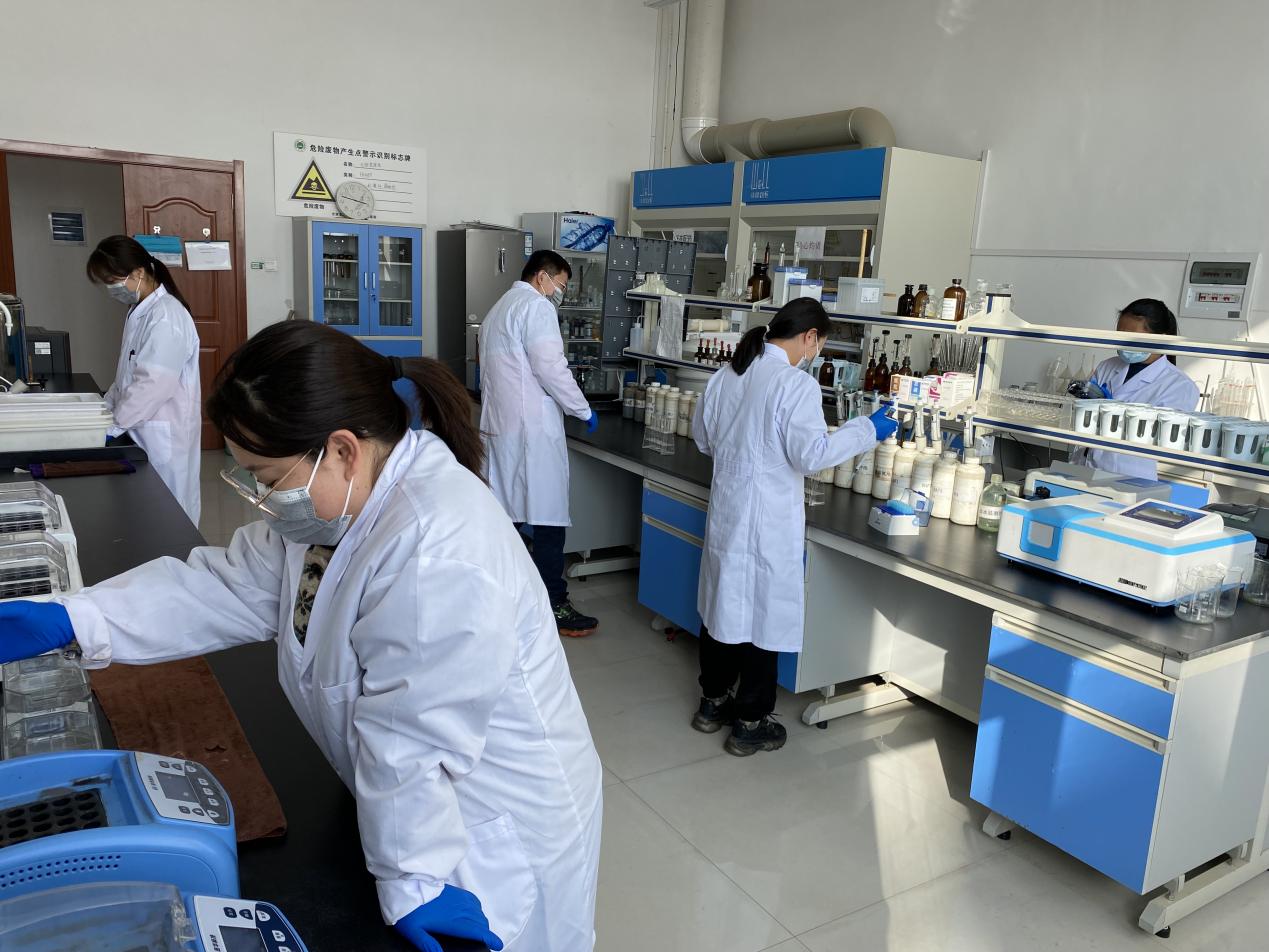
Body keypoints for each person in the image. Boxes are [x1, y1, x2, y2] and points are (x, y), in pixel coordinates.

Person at [0, 322, 602, 952]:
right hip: (410, 801)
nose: (261, 497)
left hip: (487, 825)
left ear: (342, 450)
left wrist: (414, 879)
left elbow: (411, 740)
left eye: (266, 476)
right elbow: (225, 587)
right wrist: (77, 618)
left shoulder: (438, 550)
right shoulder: (338, 508)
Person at [689, 299, 896, 756]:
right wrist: (867, 430)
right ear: (809, 337)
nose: (816, 353)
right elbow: (811, 455)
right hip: (768, 521)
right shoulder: (794, 384)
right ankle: (750, 723)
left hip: (728, 512)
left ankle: (712, 703)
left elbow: (703, 438)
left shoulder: (728, 375)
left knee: (723, 606)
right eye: (819, 344)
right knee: (763, 616)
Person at [480, 249, 600, 637]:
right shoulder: (536, 307)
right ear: (541, 277)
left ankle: (498, 596)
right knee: (548, 518)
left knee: (508, 516)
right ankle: (554, 603)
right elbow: (552, 369)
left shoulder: (498, 309)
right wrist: (583, 410)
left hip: (501, 429)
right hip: (531, 432)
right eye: (560, 285)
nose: (559, 294)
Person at [86, 235, 202, 524]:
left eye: (112, 281)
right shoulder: (140, 311)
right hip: (142, 429)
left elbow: (153, 385)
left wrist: (114, 425)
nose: (111, 289)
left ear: (138, 273)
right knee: (148, 515)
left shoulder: (166, 316)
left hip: (162, 435)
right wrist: (102, 410)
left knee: (170, 516)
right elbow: (126, 375)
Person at [1071, 298, 1199, 479]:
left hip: (1127, 476)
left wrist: (1112, 410)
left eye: (1132, 338)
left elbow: (1163, 439)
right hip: (1082, 465)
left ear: (1161, 339)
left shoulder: (1180, 385)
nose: (1124, 344)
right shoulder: (1107, 366)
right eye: (1120, 336)